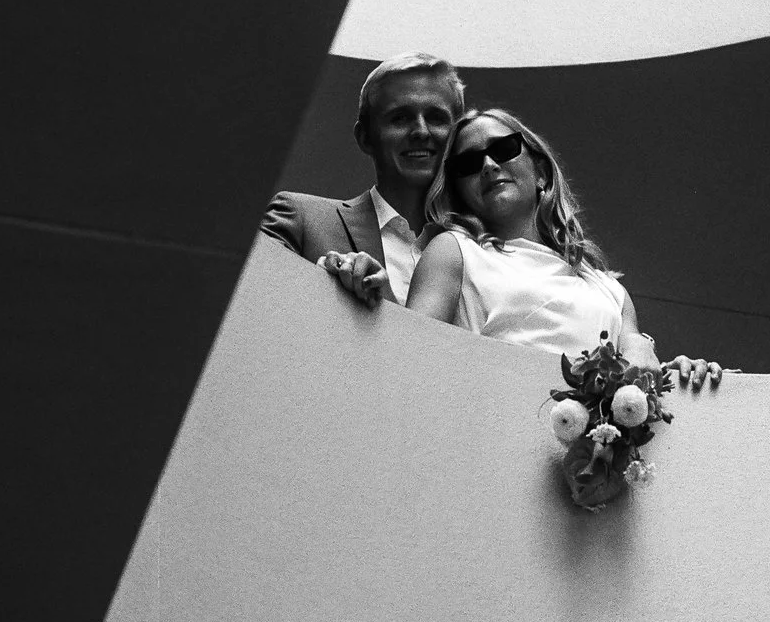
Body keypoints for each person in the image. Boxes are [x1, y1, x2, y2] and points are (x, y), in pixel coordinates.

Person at [407, 107, 719, 391]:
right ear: (460, 191)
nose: (489, 165)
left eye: (504, 150)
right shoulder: (454, 252)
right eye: (469, 164)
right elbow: (407, 353)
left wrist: (680, 375)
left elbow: (637, 366)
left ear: (540, 172)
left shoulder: (611, 291)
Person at [260, 52, 464, 308]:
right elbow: (245, 306)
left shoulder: (481, 251)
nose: (421, 131)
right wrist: (319, 281)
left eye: (436, 117)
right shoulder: (300, 219)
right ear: (365, 137)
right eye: (400, 118)